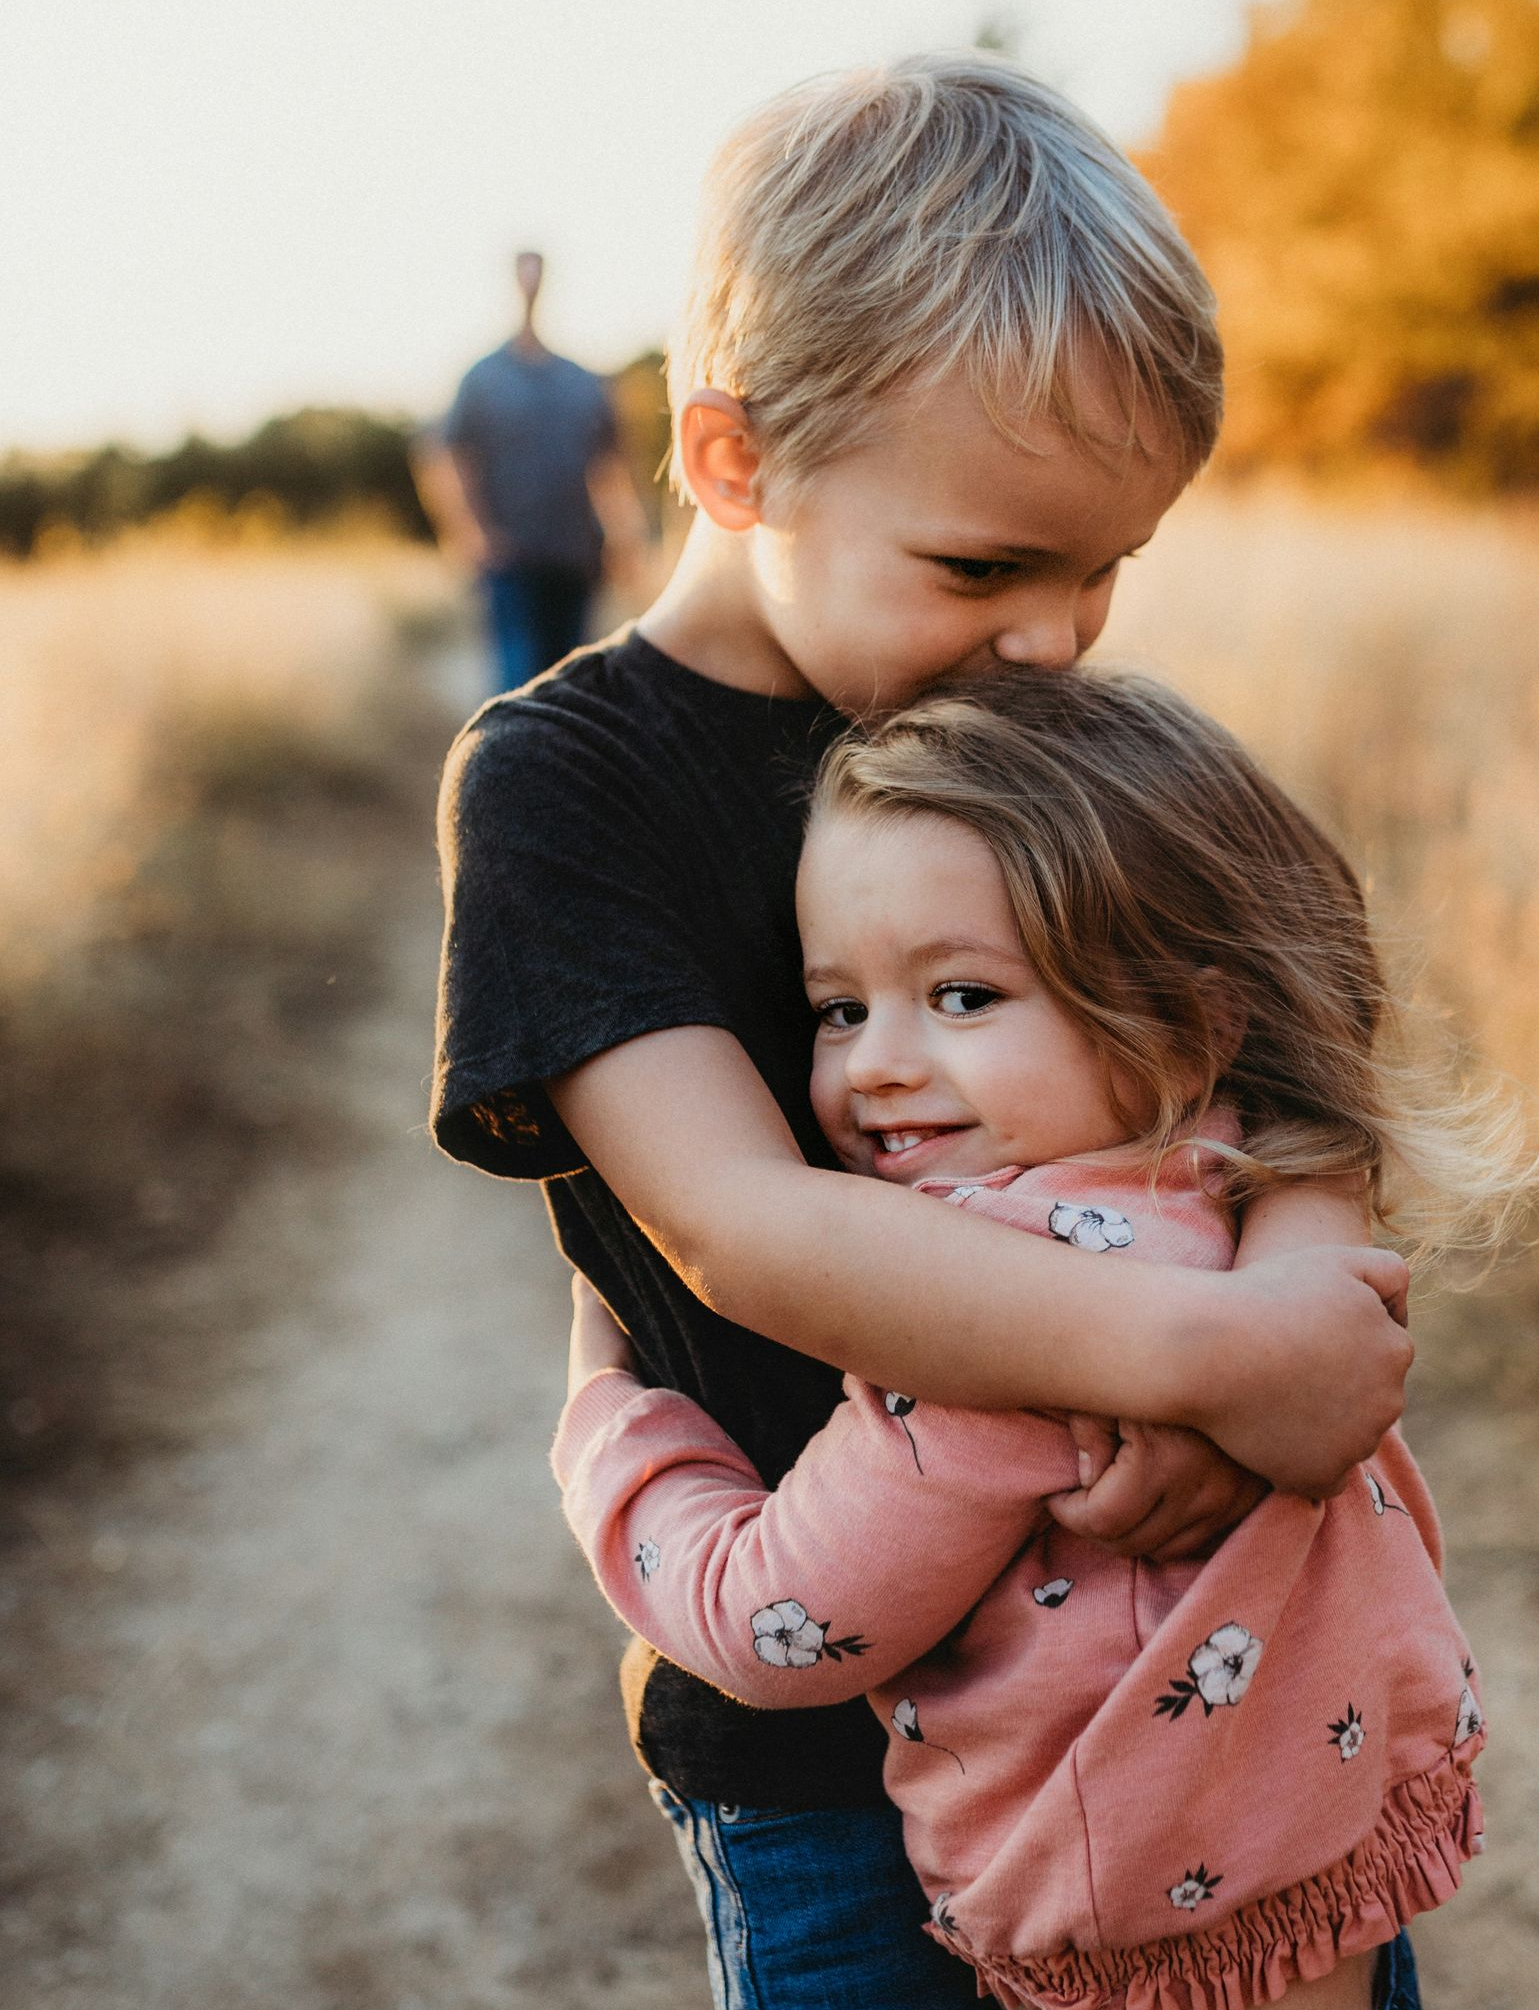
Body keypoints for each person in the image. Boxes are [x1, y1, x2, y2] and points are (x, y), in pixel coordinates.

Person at [432, 56, 1415, 2009]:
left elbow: (1297, 1051)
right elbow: (744, 1228)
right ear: (732, 464)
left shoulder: (1039, 732)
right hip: (829, 1754)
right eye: (985, 567)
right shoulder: (570, 785)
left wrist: (1307, 1316)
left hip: (1201, 1676)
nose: (1056, 636)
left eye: (1104, 567)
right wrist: (1207, 1347)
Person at [552, 667, 1537, 2010]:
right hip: (1331, 1873)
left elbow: (772, 1621)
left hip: (1136, 1944)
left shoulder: (992, 1332)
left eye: (961, 995)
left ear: (1191, 1022)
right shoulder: (1240, 1193)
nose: (877, 1064)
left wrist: (614, 1419)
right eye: (839, 1008)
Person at [413, 250, 648, 691]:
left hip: (576, 556)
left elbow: (610, 466)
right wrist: (469, 533)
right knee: (518, 684)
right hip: (510, 560)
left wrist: (625, 539)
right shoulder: (482, 379)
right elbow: (444, 455)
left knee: (567, 683)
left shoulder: (581, 381)